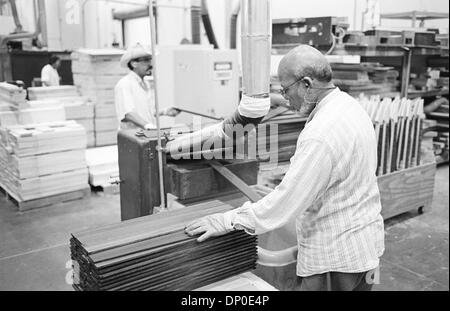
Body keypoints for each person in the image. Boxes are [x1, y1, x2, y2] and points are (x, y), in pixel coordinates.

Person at [185, 45, 385, 291]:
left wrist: (227, 221)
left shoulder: (321, 134)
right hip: (364, 247)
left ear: (307, 84)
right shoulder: (349, 106)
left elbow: (285, 203)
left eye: (285, 89)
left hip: (335, 256)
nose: (285, 96)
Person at [115, 43, 180, 130]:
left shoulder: (146, 84)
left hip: (145, 135)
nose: (151, 65)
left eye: (150, 60)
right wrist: (147, 126)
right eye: (146, 61)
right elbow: (128, 114)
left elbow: (146, 112)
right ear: (134, 64)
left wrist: (164, 112)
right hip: (133, 136)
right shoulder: (125, 84)